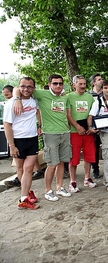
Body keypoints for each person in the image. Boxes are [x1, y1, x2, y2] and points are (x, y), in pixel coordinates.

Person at [14, 74, 72, 201]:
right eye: (55, 83)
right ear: (50, 84)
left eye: (60, 83)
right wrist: (17, 99)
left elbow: (66, 114)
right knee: (52, 163)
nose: (58, 86)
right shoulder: (41, 94)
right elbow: (18, 88)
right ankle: (48, 190)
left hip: (65, 133)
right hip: (50, 134)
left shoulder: (65, 97)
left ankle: (59, 187)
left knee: (62, 162)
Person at [4, 77, 39, 209]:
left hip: (32, 138)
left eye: (29, 87)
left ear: (33, 89)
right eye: (23, 86)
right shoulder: (11, 104)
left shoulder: (34, 101)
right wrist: (12, 146)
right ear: (18, 87)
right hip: (18, 139)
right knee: (21, 168)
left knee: (29, 168)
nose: (26, 89)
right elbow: (7, 125)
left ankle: (25, 195)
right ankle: (24, 197)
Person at [66, 75, 97, 193]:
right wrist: (77, 127)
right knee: (73, 158)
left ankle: (87, 178)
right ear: (74, 85)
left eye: (84, 84)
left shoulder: (90, 97)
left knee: (89, 156)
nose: (83, 86)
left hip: (88, 132)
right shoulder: (69, 97)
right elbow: (68, 114)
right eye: (80, 84)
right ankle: (72, 181)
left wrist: (91, 127)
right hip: (75, 132)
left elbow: (93, 113)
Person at [88, 73, 103, 179]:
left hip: (105, 124)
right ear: (93, 83)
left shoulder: (106, 93)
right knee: (94, 148)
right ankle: (95, 169)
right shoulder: (88, 95)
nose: (101, 81)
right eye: (99, 79)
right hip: (93, 125)